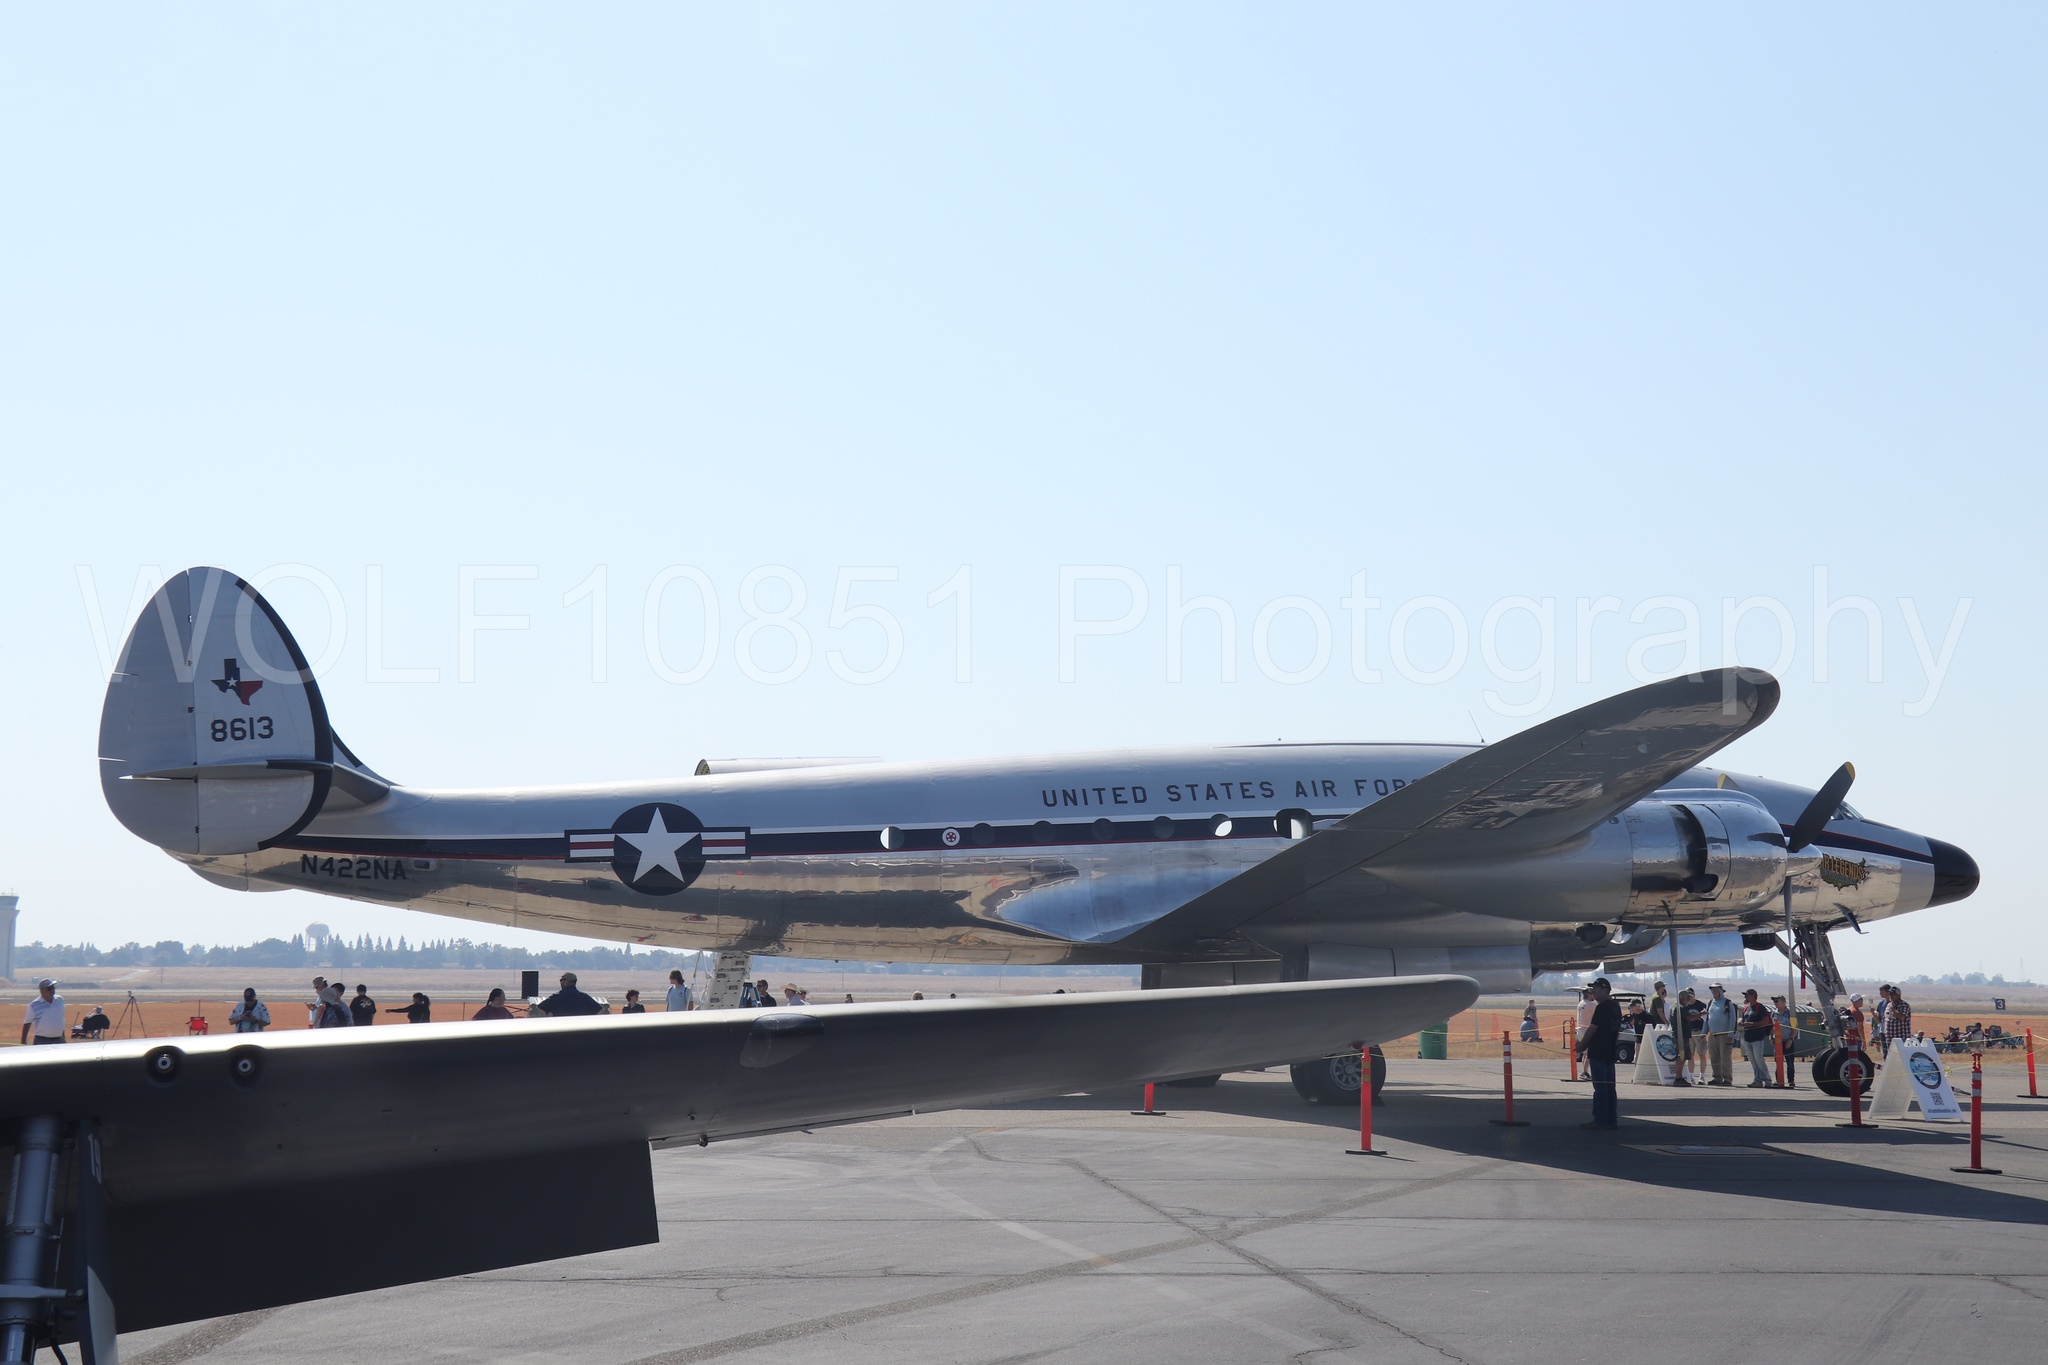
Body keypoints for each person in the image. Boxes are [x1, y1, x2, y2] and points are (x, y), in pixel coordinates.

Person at [1581, 978, 1623, 1129]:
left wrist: (1582, 1044)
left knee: (1600, 1087)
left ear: (1606, 990)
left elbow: (1593, 1028)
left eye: (1597, 989)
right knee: (1609, 1087)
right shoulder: (1616, 1007)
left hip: (1599, 1050)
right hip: (1610, 1050)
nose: (1593, 992)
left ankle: (1600, 1119)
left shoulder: (1603, 1007)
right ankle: (1611, 1119)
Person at [1738, 988, 1776, 1086]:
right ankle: (1757, 1080)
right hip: (1747, 1038)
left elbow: (1765, 1021)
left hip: (1757, 1038)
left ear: (1753, 996)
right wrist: (1741, 1022)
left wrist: (1751, 1024)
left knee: (1759, 1060)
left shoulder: (1760, 1007)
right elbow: (1744, 1018)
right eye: (1745, 995)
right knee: (1753, 1061)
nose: (1746, 997)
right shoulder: (1746, 1008)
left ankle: (1767, 1080)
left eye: (1747, 995)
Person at [1703, 983, 1737, 1086]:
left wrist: (1730, 1034)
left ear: (1721, 991)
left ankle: (1727, 1078)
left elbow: (1732, 1019)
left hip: (1725, 1035)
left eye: (1716, 991)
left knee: (1725, 1057)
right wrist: (1703, 1033)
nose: (1714, 993)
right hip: (1713, 1035)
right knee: (1714, 1057)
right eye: (1712, 991)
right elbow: (1707, 1019)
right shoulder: (1710, 1003)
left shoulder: (1727, 1003)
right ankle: (1716, 1077)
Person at [533, 972, 602, 1017]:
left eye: (561, 980)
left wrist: (549, 1023)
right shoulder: (584, 997)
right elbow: (600, 1011)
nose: (560, 982)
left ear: (566, 981)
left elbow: (541, 1008)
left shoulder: (556, 997)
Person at [21, 979, 66, 1045]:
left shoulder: (60, 1000)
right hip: (42, 1040)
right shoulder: (34, 1005)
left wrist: (63, 1038)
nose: (52, 990)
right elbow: (27, 1023)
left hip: (58, 1039)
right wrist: (23, 1041)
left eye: (53, 988)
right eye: (49, 988)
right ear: (42, 991)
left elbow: (59, 1020)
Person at [1680, 988, 1709, 1082]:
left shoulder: (1701, 1005)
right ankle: (1691, 1075)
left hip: (1700, 1031)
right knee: (1690, 1055)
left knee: (1701, 1054)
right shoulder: (1685, 1006)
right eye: (1687, 995)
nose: (1689, 997)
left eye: (1690, 995)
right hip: (1689, 1032)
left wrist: (1704, 1033)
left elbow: (1706, 1020)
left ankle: (1702, 1076)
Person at [1882, 985, 1912, 1051]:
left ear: (1898, 995)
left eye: (1893, 994)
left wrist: (1893, 1009)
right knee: (1890, 1056)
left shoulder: (1904, 1005)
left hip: (1901, 1038)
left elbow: (1902, 1017)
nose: (1890, 996)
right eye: (1889, 994)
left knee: (1901, 1056)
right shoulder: (1889, 1005)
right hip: (1890, 1038)